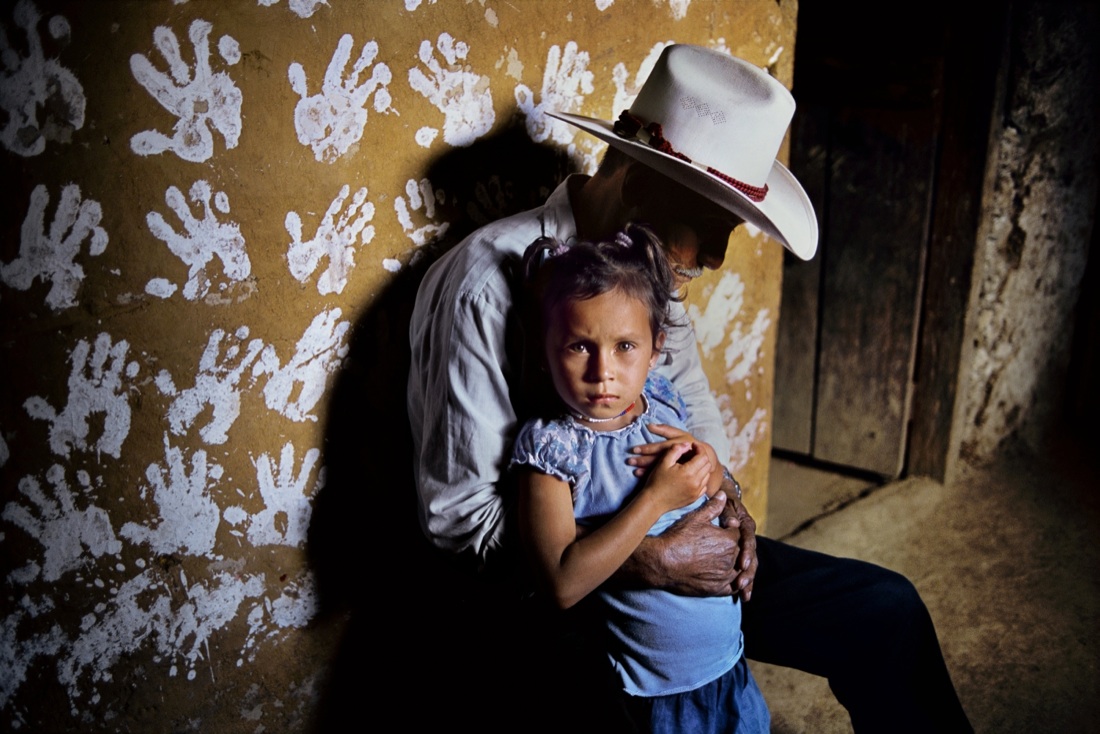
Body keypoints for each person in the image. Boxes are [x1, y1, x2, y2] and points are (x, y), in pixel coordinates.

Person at [408, 44, 971, 731]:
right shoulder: (483, 286)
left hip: (677, 549)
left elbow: (702, 435)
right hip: (550, 593)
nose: (715, 258)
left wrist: (726, 509)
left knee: (885, 611)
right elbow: (463, 524)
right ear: (638, 187)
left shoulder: (649, 281)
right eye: (706, 229)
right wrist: (646, 559)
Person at [512, 224, 769, 732]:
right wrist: (655, 498)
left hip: (728, 668)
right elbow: (561, 582)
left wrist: (712, 468)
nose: (603, 371)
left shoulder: (661, 397)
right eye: (579, 347)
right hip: (653, 695)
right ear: (544, 351)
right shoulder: (553, 449)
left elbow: (707, 478)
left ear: (656, 349)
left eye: (625, 346)